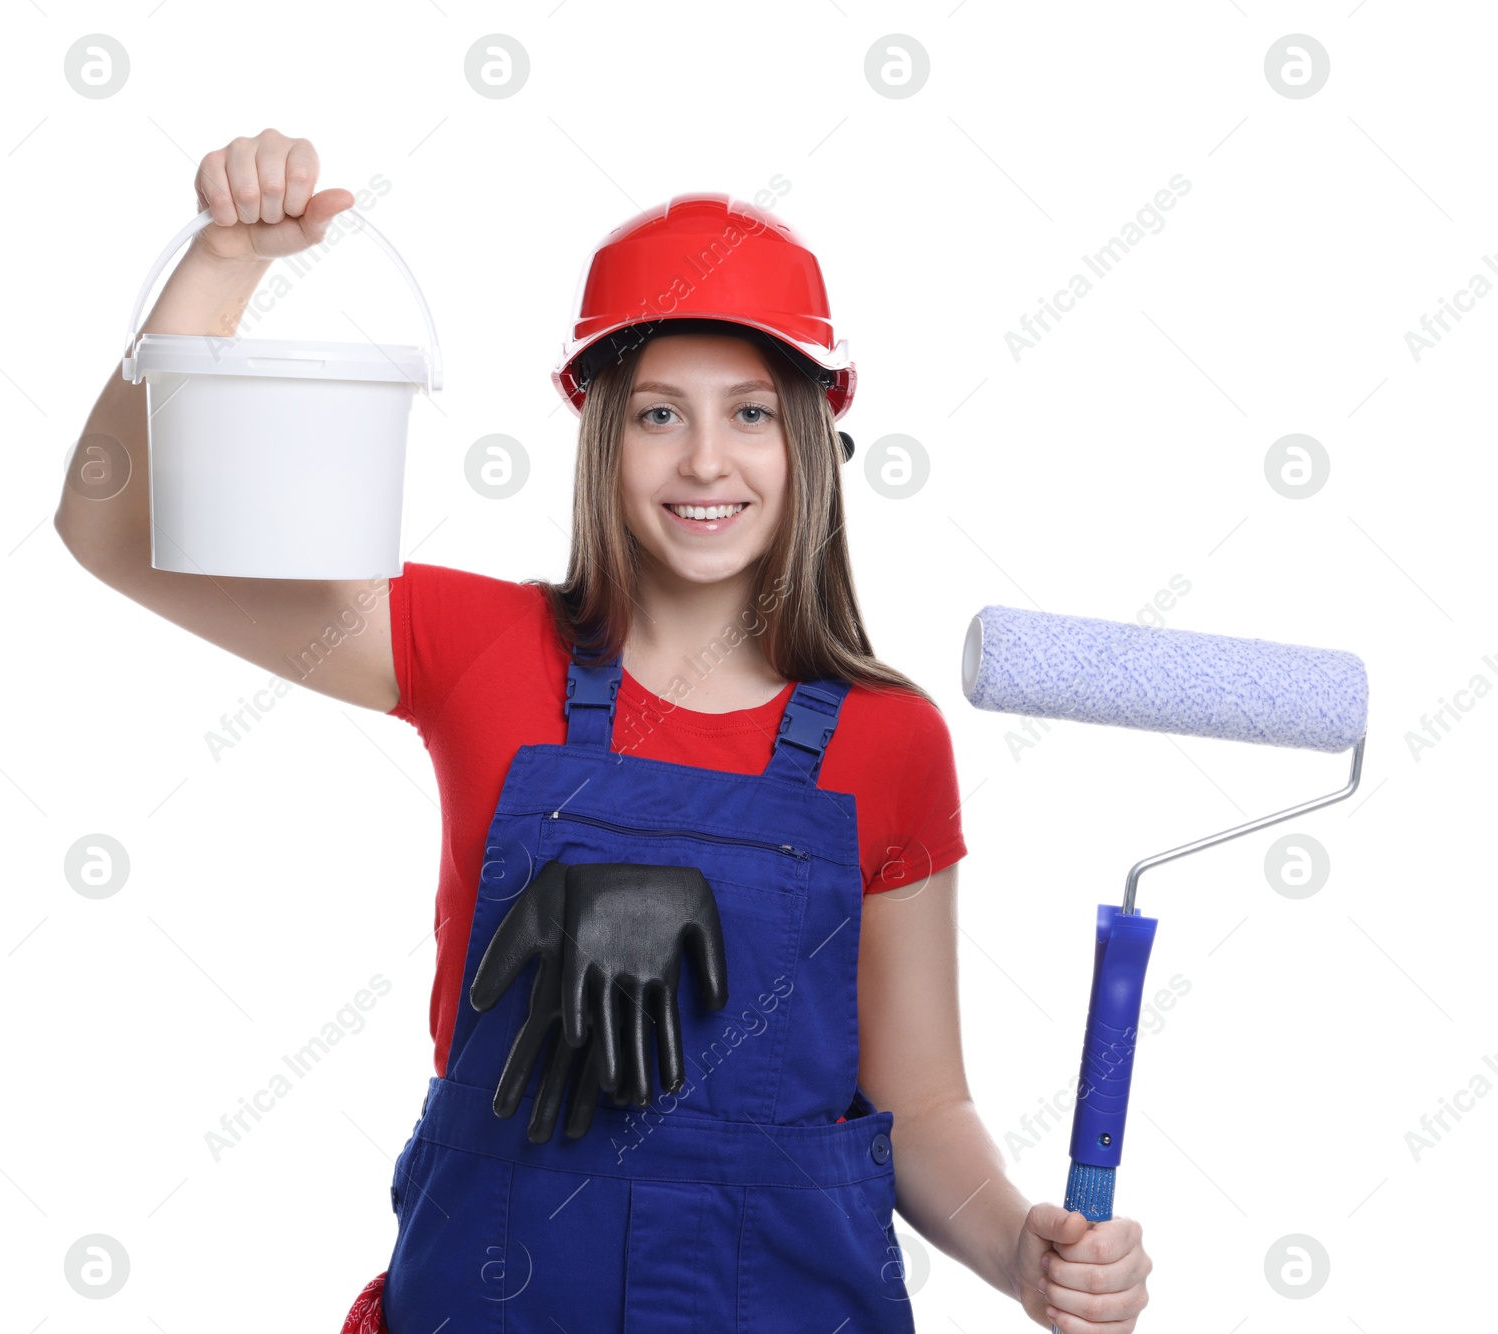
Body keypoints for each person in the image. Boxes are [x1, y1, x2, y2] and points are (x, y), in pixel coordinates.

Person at [58, 128, 1152, 1333]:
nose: (704, 460)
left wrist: (1019, 1248)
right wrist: (221, 265)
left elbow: (922, 1104)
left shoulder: (888, 739)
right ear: (598, 434)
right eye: (654, 415)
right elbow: (110, 531)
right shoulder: (473, 646)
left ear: (810, 437)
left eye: (747, 411)